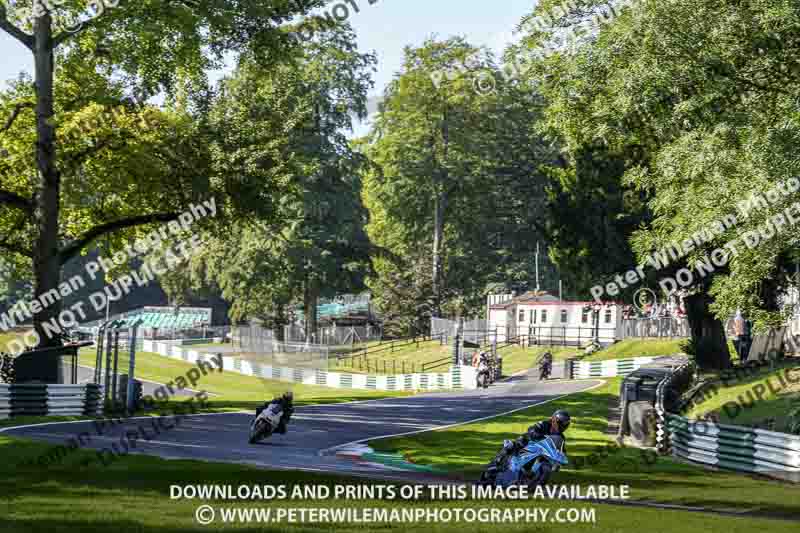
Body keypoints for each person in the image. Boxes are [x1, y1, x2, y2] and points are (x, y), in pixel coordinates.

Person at [493, 410, 571, 464]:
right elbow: (532, 429)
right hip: (528, 443)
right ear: (555, 420)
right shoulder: (543, 424)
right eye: (561, 422)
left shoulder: (560, 437)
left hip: (541, 451)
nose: (563, 425)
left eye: (565, 423)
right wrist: (535, 433)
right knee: (513, 445)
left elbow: (561, 449)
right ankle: (497, 461)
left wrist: (562, 455)